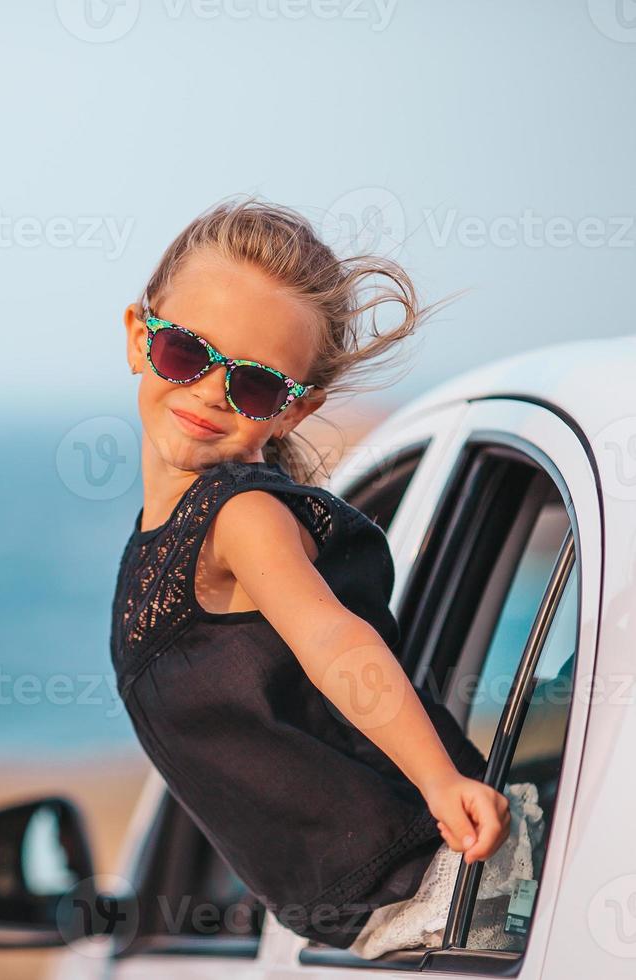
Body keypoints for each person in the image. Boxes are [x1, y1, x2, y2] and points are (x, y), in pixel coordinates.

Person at [109, 195, 540, 953]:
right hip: (377, 914)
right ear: (139, 337)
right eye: (187, 353)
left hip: (432, 886)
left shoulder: (241, 519)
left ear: (294, 411)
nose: (212, 391)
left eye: (256, 386)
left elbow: (337, 644)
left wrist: (441, 784)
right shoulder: (164, 533)